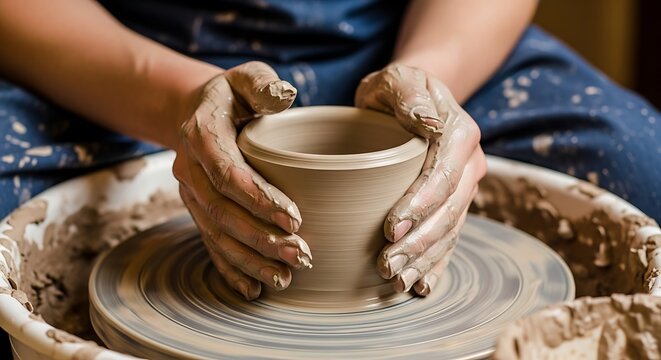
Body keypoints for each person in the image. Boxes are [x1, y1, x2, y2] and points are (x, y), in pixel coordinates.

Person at [0, 0, 659, 303]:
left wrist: (437, 74)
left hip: (413, 39)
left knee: (641, 167)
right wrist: (174, 103)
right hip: (121, 57)